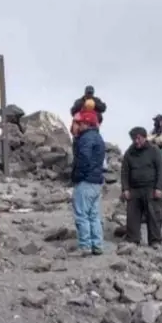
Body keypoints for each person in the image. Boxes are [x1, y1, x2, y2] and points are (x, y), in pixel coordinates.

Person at [121, 126, 162, 248]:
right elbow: (124, 172)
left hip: (151, 188)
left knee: (154, 215)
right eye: (134, 138)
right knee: (132, 215)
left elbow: (161, 170)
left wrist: (159, 188)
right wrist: (125, 189)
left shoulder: (154, 150)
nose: (136, 141)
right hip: (134, 189)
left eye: (138, 138)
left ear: (144, 137)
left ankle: (155, 240)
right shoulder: (129, 153)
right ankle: (133, 239)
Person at [71, 110, 106, 256]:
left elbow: (83, 159)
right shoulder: (98, 137)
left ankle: (85, 246)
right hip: (97, 181)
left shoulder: (86, 138)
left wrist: (77, 176)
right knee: (94, 215)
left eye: (81, 123)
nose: (79, 126)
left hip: (86, 181)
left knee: (81, 214)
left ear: (87, 123)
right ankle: (97, 245)